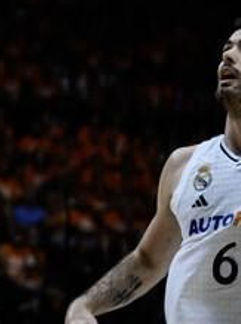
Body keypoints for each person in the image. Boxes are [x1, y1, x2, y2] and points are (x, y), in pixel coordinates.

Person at [66, 24, 241, 323]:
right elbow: (147, 261)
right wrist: (85, 305)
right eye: (227, 48)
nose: (229, 56)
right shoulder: (183, 165)